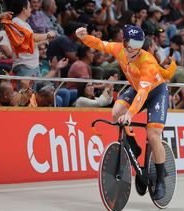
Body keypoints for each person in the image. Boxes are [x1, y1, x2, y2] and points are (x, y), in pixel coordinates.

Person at [75, 24, 177, 200]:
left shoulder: (148, 62)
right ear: (123, 43)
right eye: (130, 47)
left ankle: (160, 178)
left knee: (153, 135)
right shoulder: (119, 49)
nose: (133, 52)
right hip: (137, 87)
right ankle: (133, 145)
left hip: (156, 93)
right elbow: (99, 44)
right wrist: (84, 37)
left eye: (137, 48)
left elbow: (144, 94)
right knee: (115, 113)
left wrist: (130, 115)